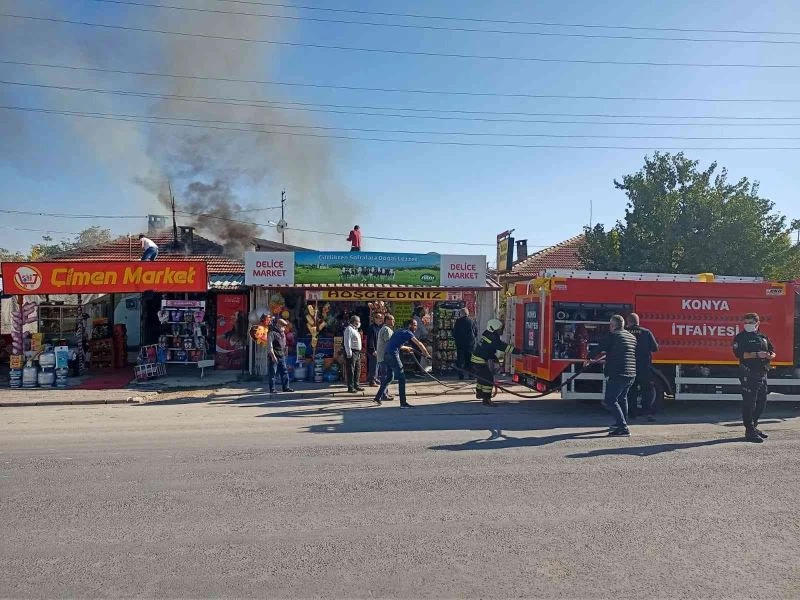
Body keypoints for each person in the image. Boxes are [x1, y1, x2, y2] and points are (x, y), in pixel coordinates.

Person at [587, 314, 637, 437]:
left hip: (618, 372)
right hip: (631, 373)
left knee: (610, 399)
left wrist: (588, 358)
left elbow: (599, 348)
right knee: (622, 398)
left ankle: (623, 428)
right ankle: (621, 423)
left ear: (612, 325)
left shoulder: (612, 335)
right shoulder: (631, 337)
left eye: (610, 324)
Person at [733, 312, 775, 444]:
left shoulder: (762, 336)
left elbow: (772, 350)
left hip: (762, 372)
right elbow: (740, 354)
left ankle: (754, 426)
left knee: (762, 401)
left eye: (750, 322)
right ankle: (749, 430)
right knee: (749, 403)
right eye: (745, 322)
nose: (747, 325)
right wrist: (757, 354)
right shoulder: (741, 337)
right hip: (748, 373)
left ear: (757, 323)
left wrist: (770, 355)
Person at [374, 319, 431, 408]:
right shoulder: (408, 332)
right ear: (409, 325)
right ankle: (403, 403)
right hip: (393, 355)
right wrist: (427, 355)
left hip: (386, 355)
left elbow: (396, 344)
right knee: (402, 378)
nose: (416, 327)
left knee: (389, 377)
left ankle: (378, 397)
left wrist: (407, 348)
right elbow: (419, 344)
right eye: (415, 325)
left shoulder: (398, 331)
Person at [471, 319, 516, 407]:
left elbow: (488, 350)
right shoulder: (492, 338)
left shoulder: (487, 335)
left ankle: (479, 394)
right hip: (479, 361)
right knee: (488, 379)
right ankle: (486, 400)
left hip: (476, 359)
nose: (501, 330)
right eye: (499, 329)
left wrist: (495, 358)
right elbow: (504, 347)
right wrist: (519, 351)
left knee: (482, 378)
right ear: (494, 329)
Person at [626, 313, 660, 422]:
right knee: (647, 390)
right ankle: (648, 413)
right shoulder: (646, 332)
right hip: (644, 366)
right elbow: (655, 348)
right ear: (638, 321)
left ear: (628, 321)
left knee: (631, 390)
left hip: (629, 366)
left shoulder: (624, 332)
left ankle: (632, 414)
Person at [267, 318, 293, 394]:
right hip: (274, 355)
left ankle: (286, 387)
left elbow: (284, 344)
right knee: (273, 373)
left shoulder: (282, 333)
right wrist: (273, 356)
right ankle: (272, 389)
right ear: (278, 325)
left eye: (285, 326)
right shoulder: (272, 333)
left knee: (284, 371)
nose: (284, 328)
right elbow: (270, 346)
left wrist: (285, 352)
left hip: (282, 355)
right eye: (283, 326)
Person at [374, 313, 396, 402]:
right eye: (392, 319)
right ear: (387, 320)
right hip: (385, 357)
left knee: (386, 376)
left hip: (383, 356)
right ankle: (382, 394)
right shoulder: (386, 330)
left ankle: (385, 393)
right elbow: (389, 344)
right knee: (387, 376)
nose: (394, 321)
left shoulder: (384, 329)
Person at [452, 307, 478, 380]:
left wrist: (456, 339)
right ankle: (471, 375)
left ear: (461, 314)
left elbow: (454, 333)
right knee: (470, 360)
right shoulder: (472, 321)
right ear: (467, 313)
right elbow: (476, 332)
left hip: (460, 343)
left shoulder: (458, 321)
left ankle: (461, 375)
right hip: (470, 343)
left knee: (460, 360)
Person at [343, 315, 364, 393]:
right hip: (352, 351)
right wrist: (349, 353)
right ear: (354, 321)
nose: (359, 323)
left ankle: (356, 385)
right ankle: (350, 387)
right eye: (358, 321)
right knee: (351, 370)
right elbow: (347, 341)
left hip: (357, 352)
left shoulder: (355, 329)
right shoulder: (349, 329)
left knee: (357, 369)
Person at [366, 313, 384, 386]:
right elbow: (370, 340)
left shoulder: (380, 327)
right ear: (375, 319)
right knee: (373, 365)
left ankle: (376, 378)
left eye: (381, 318)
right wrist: (373, 350)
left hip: (379, 349)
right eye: (379, 318)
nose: (381, 319)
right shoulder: (372, 328)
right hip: (373, 350)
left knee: (377, 365)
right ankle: (372, 381)